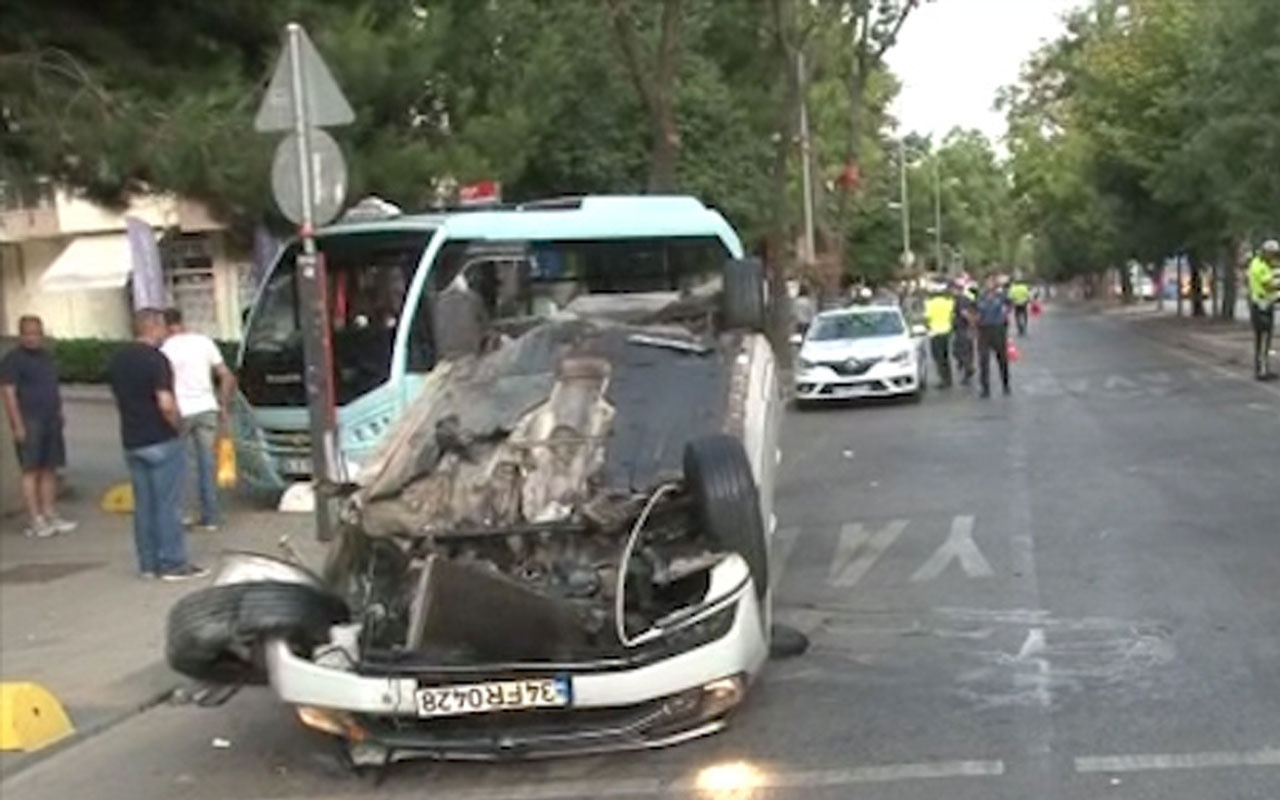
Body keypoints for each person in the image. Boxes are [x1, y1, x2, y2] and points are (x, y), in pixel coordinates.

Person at [108, 308, 208, 581]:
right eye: (162, 326)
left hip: (132, 439)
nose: (165, 332)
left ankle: (148, 564)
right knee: (167, 504)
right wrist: (177, 424)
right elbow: (165, 402)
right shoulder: (157, 360)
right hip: (160, 438)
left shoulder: (118, 359)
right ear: (152, 327)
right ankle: (173, 562)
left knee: (144, 505)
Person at [0, 315, 77, 538]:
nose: (33, 338)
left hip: (50, 417)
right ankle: (35, 519)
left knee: (50, 468)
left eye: (36, 333)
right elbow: (9, 393)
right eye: (28, 333)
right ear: (21, 335)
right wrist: (17, 424)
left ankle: (50, 512)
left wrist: (60, 410)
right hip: (29, 419)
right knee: (30, 469)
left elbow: (52, 386)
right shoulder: (13, 360)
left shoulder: (46, 357)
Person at [161, 308, 237, 531]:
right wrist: (223, 405)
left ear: (166, 326)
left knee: (181, 464)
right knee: (207, 463)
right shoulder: (204, 342)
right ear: (182, 322)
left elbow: (164, 384)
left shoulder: (165, 350)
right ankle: (211, 516)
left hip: (181, 411)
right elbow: (227, 376)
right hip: (207, 408)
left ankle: (184, 514)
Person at [970, 275, 1013, 398]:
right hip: (984, 330)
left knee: (1002, 360)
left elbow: (1010, 304)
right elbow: (973, 312)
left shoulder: (1001, 296)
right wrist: (974, 325)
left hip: (998, 329)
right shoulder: (979, 298)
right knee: (983, 361)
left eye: (992, 283)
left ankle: (1006, 384)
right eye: (987, 283)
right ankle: (985, 388)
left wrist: (1005, 315)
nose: (989, 285)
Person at [1247, 241, 1280, 381]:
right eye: (1273, 254)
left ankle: (1264, 368)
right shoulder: (1259, 266)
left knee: (1265, 340)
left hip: (1265, 304)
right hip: (1261, 306)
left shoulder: (1263, 264)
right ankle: (1261, 371)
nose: (1275, 257)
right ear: (1266, 252)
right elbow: (1268, 286)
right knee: (1263, 339)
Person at [923, 285, 955, 389]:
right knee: (945, 357)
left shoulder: (929, 303)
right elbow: (952, 315)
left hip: (935, 332)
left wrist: (927, 328)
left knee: (938, 358)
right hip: (947, 331)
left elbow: (927, 318)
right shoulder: (949, 302)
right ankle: (949, 378)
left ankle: (943, 379)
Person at [951, 282, 977, 386]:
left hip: (962, 328)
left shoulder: (960, 300)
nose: (951, 292)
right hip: (964, 328)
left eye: (953, 289)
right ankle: (968, 367)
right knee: (967, 350)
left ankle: (968, 369)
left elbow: (965, 313)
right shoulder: (967, 299)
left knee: (960, 350)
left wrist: (972, 325)